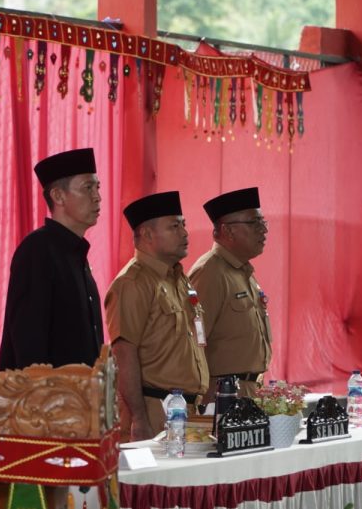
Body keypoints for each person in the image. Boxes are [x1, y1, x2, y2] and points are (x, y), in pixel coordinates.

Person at [105, 191, 209, 442]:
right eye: (174, 226)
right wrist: (139, 419)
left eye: (183, 225)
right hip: (155, 412)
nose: (185, 233)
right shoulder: (132, 283)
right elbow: (124, 354)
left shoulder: (178, 279)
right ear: (148, 235)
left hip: (191, 412)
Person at [0, 148, 104, 371]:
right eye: (87, 188)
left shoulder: (77, 255)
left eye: (97, 187)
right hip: (47, 400)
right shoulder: (37, 251)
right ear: (58, 196)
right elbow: (29, 345)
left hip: (81, 398)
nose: (97, 196)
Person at [188, 187, 272, 399]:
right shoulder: (210, 272)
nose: (263, 230)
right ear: (227, 230)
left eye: (263, 222)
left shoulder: (244, 272)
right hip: (222, 396)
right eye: (254, 223)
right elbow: (193, 345)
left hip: (249, 393)